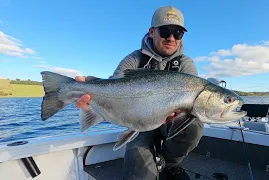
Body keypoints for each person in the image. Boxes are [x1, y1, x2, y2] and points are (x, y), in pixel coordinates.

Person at [75, 6, 203, 180]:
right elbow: (113, 89)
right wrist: (90, 98)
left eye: (178, 33)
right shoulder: (133, 59)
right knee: (139, 174)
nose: (171, 38)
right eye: (166, 31)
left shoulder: (186, 64)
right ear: (152, 32)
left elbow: (192, 104)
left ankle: (170, 163)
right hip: (139, 124)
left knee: (194, 126)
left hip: (171, 123)